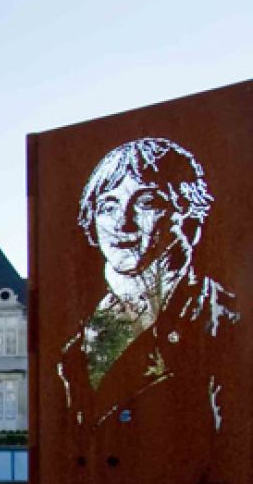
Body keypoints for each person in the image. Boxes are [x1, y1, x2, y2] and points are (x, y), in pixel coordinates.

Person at [58, 137, 240, 433]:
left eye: (146, 203)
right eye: (108, 206)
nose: (122, 223)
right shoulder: (77, 346)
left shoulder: (222, 324)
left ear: (189, 220)